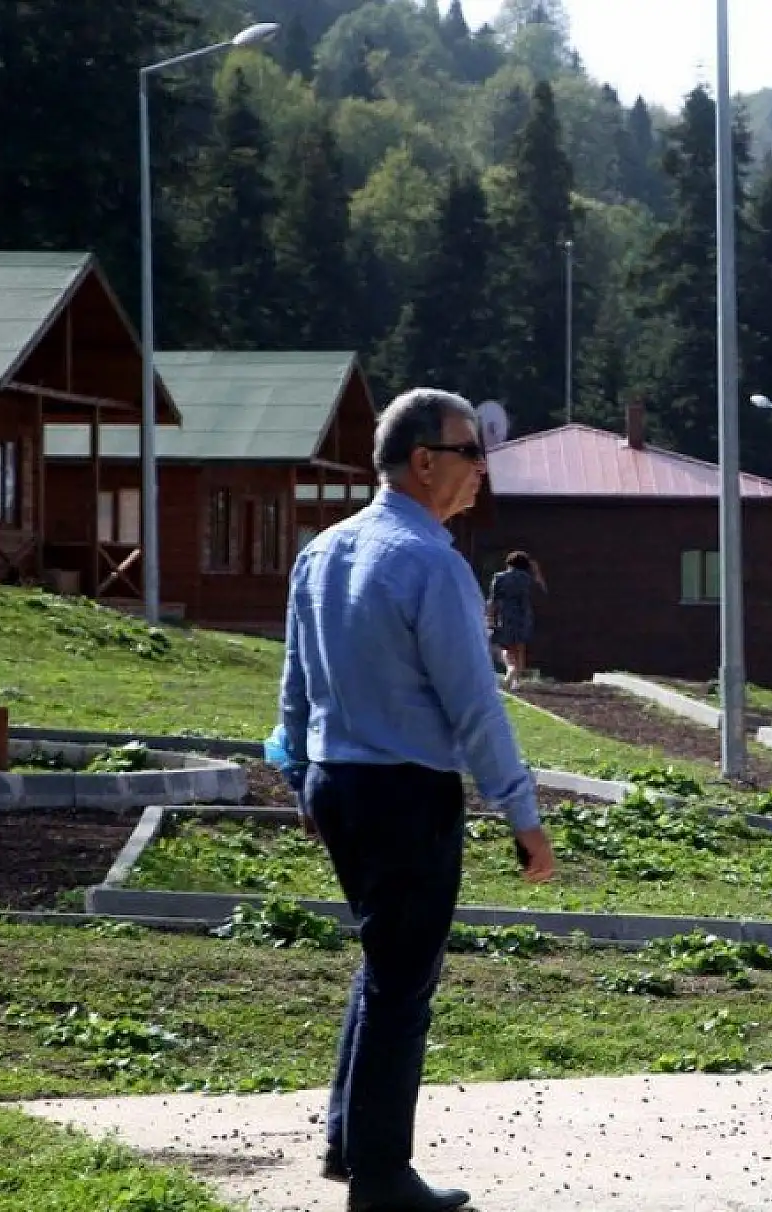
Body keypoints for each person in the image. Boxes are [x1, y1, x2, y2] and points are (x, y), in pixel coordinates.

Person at [277, 387, 556, 1212]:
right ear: (424, 462)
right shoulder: (432, 563)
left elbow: (294, 686)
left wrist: (298, 775)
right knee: (404, 981)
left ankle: (348, 1141)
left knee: (383, 962)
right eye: (472, 454)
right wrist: (524, 816)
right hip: (406, 794)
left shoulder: (322, 552)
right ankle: (383, 1179)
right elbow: (476, 705)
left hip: (339, 783)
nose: (482, 471)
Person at [487, 550, 545, 691]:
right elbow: (541, 593)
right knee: (520, 647)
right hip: (524, 616)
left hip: (505, 615)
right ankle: (516, 681)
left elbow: (493, 600)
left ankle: (511, 670)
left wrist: (490, 617)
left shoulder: (500, 577)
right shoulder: (528, 579)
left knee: (506, 647)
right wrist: (537, 573)